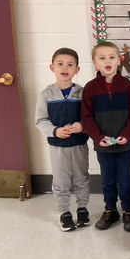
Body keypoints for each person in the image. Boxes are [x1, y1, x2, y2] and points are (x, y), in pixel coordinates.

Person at [80, 40, 130, 232]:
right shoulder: (90, 88)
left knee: (125, 180)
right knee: (107, 180)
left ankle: (128, 210)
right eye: (102, 58)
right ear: (94, 62)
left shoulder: (128, 86)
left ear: (119, 60)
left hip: (125, 145)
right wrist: (98, 137)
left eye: (112, 57)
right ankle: (110, 209)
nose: (107, 61)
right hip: (103, 146)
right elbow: (86, 117)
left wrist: (127, 134)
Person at [34, 47, 90, 231]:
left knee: (81, 177)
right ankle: (65, 212)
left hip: (79, 145)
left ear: (77, 69)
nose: (65, 67)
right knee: (61, 180)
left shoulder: (83, 94)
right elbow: (40, 120)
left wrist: (82, 125)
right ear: (52, 67)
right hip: (58, 146)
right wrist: (55, 130)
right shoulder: (46, 95)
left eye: (70, 64)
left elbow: (90, 117)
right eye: (60, 64)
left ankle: (82, 209)